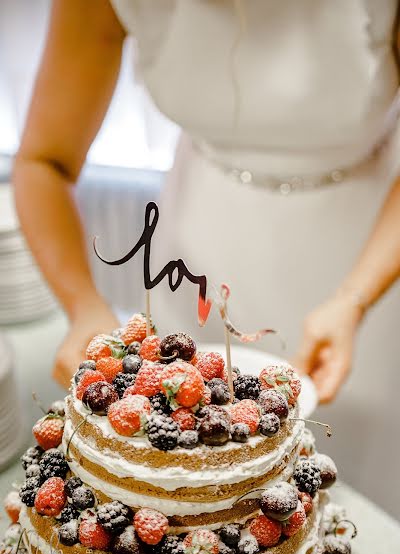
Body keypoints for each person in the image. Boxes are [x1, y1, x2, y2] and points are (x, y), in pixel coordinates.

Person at [13, 0, 400, 404]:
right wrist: (83, 307)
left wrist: (354, 299)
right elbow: (45, 161)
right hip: (198, 242)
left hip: (370, 253)